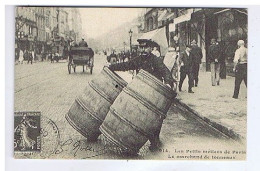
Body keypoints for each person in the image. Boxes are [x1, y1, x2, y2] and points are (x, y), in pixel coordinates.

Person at [109, 44, 176, 150]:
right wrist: (111, 67)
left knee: (156, 117)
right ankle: (139, 137)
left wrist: (168, 82)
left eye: (146, 47)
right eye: (141, 47)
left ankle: (155, 139)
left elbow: (165, 71)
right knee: (141, 114)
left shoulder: (156, 60)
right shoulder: (139, 59)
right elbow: (126, 65)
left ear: (151, 48)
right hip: (141, 91)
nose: (144, 50)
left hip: (154, 92)